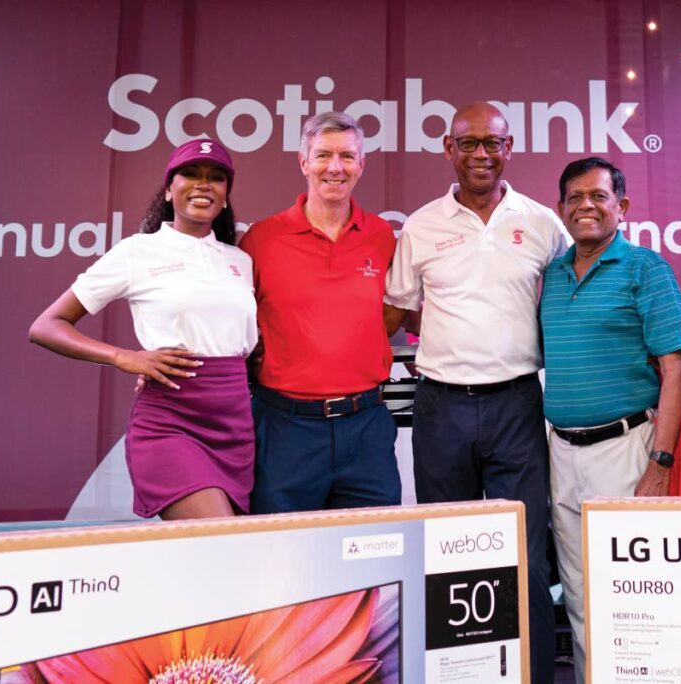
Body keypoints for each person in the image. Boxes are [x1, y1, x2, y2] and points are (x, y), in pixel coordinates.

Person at [384, 102, 566, 684]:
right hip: (441, 406)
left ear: (510, 148)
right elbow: (394, 313)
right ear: (448, 149)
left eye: (494, 143)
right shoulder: (420, 225)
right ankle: (454, 673)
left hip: (517, 402)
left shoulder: (541, 222)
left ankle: (531, 673)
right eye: (469, 143)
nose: (482, 154)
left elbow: (577, 293)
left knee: (525, 553)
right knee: (444, 547)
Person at [29, 139, 257, 520]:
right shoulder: (137, 252)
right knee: (219, 537)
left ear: (225, 194)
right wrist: (125, 357)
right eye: (191, 174)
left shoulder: (241, 259)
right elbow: (46, 326)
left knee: (220, 562)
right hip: (171, 423)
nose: (204, 184)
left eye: (216, 178)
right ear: (169, 189)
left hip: (235, 425)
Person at [540, 157, 681, 682]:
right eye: (575, 197)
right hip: (560, 452)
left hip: (628, 449)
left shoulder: (646, 268)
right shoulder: (552, 277)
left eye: (599, 196)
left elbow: (676, 371)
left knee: (634, 596)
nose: (586, 205)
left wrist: (660, 463)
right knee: (579, 594)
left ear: (621, 207)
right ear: (561, 209)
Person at [239, 111, 400, 513]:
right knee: (281, 557)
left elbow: (402, 311)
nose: (335, 167)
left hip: (366, 426)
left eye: (347, 156)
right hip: (285, 428)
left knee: (375, 556)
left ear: (361, 165)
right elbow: (226, 321)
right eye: (323, 155)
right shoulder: (262, 238)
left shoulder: (381, 236)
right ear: (303, 162)